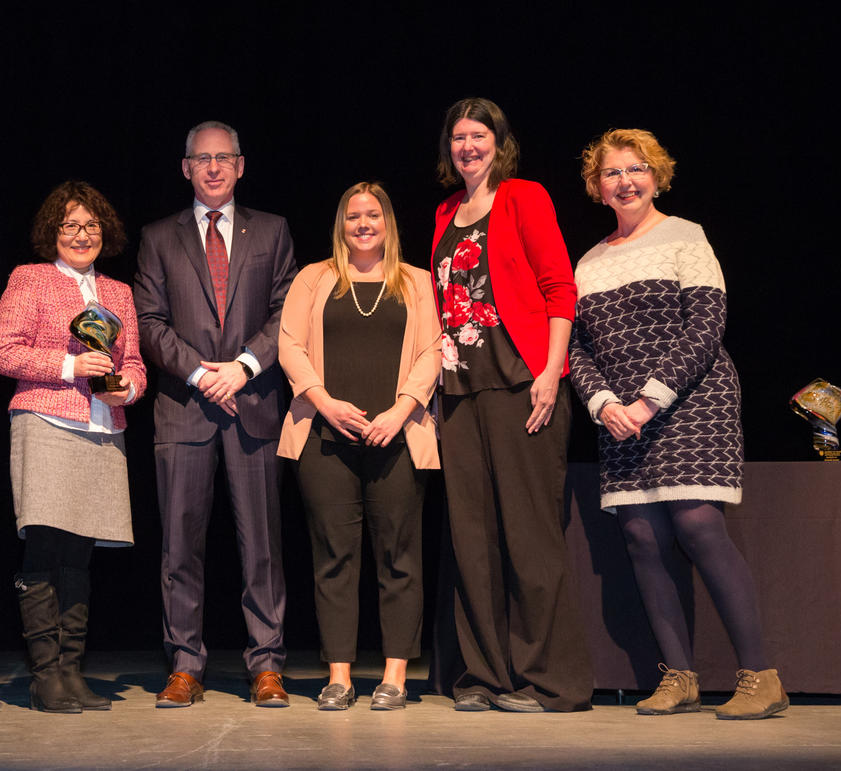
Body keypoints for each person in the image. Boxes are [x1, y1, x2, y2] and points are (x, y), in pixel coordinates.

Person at [571, 128, 788, 720]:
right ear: (597, 186)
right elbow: (577, 351)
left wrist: (648, 400)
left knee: (698, 526)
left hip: (693, 402)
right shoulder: (588, 262)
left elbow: (705, 327)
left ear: (656, 175)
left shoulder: (685, 236)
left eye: (636, 168)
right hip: (622, 420)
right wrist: (603, 404)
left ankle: (760, 678)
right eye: (612, 173)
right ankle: (680, 677)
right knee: (641, 537)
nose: (625, 181)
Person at [430, 97, 593, 712]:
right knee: (473, 539)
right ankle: (486, 677)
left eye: (479, 135)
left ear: (499, 141)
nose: (468, 146)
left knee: (529, 536)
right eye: (458, 138)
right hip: (460, 393)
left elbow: (558, 287)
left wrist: (553, 372)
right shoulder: (446, 210)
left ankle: (551, 682)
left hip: (523, 384)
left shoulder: (525, 196)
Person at [133, 121, 298, 708]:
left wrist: (244, 367)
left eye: (223, 157)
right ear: (185, 168)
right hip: (184, 408)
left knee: (263, 545)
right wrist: (205, 373)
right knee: (181, 546)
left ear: (241, 165)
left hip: (253, 405)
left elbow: (287, 312)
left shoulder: (273, 231)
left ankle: (267, 664)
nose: (212, 168)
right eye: (201, 159)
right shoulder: (158, 236)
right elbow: (148, 322)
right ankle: (184, 664)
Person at [278, 182, 442, 710]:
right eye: (354, 216)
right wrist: (324, 402)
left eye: (373, 215)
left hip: (397, 437)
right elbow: (289, 345)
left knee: (399, 557)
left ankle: (394, 674)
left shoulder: (416, 282)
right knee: (333, 558)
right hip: (325, 438)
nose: (363, 224)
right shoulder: (314, 278)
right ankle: (340, 676)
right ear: (341, 224)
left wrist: (401, 411)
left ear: (389, 222)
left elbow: (433, 350)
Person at [0, 181, 146, 713]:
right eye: (70, 225)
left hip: (104, 428)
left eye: (91, 226)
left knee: (80, 554)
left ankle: (71, 671)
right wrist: (70, 367)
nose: (82, 235)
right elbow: (3, 351)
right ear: (51, 232)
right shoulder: (30, 279)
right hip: (46, 421)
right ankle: (44, 674)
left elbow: (136, 363)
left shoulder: (120, 292)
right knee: (46, 548)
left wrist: (130, 385)